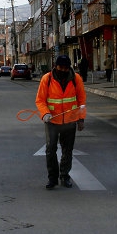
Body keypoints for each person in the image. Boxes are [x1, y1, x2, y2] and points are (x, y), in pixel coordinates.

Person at [35, 55, 87, 190]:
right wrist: (45, 113)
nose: (63, 70)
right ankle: (52, 178)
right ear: (55, 66)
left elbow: (81, 101)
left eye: (66, 68)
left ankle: (65, 176)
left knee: (67, 150)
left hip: (70, 121)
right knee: (50, 149)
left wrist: (81, 119)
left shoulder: (76, 79)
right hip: (52, 121)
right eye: (61, 67)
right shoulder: (47, 79)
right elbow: (40, 100)